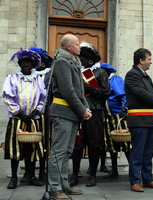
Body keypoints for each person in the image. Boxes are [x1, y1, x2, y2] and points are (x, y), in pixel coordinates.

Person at [48, 34, 92, 200]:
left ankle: (64, 185)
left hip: (72, 113)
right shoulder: (62, 62)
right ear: (68, 47)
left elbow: (79, 90)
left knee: (67, 151)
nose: (80, 46)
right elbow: (67, 91)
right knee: (59, 152)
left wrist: (85, 108)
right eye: (77, 44)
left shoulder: (73, 62)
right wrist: (82, 110)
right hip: (63, 112)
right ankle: (55, 188)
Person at [68, 42, 110, 187]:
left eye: (83, 58)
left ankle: (92, 175)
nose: (80, 61)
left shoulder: (100, 72)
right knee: (77, 146)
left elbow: (105, 93)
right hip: (77, 112)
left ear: (90, 60)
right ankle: (74, 175)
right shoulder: (76, 71)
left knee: (94, 145)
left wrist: (87, 87)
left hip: (94, 112)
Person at [3, 48, 46, 189]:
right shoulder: (11, 78)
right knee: (15, 149)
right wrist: (19, 113)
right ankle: (14, 178)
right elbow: (7, 97)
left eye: (29, 62)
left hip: (34, 119)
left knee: (32, 148)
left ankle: (32, 176)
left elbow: (42, 98)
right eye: (24, 62)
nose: (26, 64)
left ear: (33, 65)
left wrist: (35, 112)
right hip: (17, 119)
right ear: (20, 64)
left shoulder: (38, 79)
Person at [125, 48, 153, 192]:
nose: (151, 62)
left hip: (149, 119)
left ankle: (148, 179)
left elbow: (150, 92)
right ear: (141, 61)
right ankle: (135, 181)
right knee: (137, 152)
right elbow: (140, 93)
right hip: (138, 119)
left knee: (148, 152)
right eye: (149, 59)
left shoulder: (144, 75)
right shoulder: (132, 75)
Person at [26, 46, 53, 182]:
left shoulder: (50, 74)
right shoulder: (26, 74)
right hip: (29, 114)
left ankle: (42, 171)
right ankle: (28, 173)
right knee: (29, 142)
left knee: (43, 143)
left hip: (45, 114)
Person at [101, 62, 131, 179]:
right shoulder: (101, 83)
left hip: (118, 116)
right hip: (107, 117)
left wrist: (125, 109)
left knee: (125, 143)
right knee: (111, 145)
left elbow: (123, 95)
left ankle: (132, 170)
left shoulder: (115, 80)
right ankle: (114, 170)